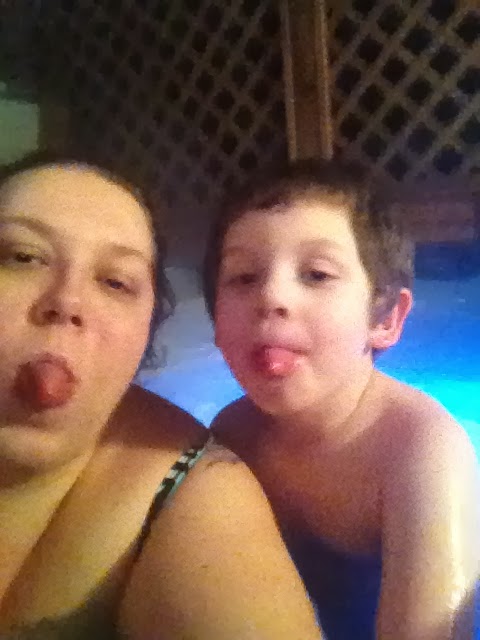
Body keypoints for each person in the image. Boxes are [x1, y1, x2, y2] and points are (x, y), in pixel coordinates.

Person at [0, 151, 323, 639]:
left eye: (116, 281)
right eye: (22, 256)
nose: (67, 301)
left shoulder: (199, 496)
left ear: (146, 334)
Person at [205, 158, 480, 639]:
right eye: (244, 277)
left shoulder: (420, 451)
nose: (271, 297)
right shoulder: (233, 434)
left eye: (317, 274)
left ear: (386, 318)